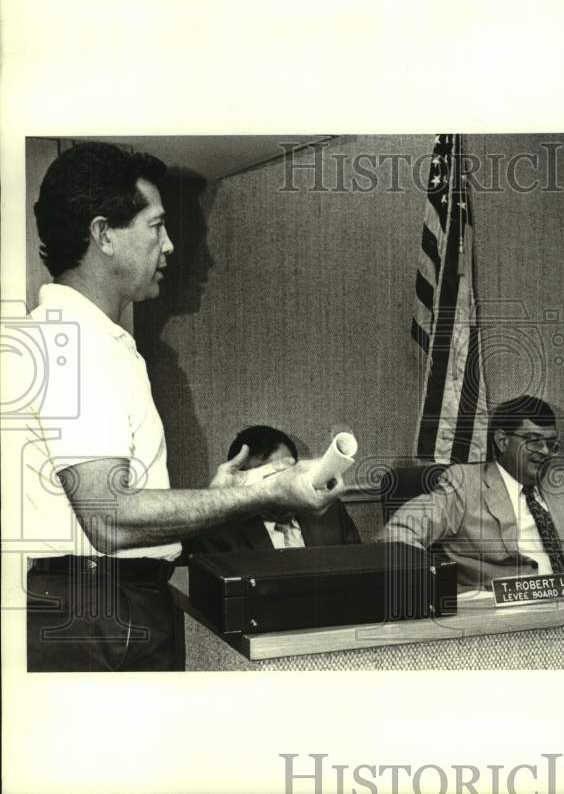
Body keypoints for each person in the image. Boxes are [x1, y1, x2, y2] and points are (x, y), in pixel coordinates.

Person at [23, 142, 344, 671]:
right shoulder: (76, 342)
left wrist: (218, 495)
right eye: (155, 227)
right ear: (103, 234)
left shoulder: (83, 338)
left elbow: (117, 507)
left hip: (103, 608)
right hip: (100, 616)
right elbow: (108, 517)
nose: (170, 246)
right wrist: (262, 493)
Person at [380, 395, 564, 591]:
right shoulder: (464, 484)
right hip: (498, 616)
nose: (545, 452)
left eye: (551, 444)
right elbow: (398, 533)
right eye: (534, 442)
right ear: (502, 441)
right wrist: (437, 586)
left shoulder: (559, 485)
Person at [184, 425, 360, 554]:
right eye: (268, 477)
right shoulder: (220, 532)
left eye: (287, 472)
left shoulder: (331, 512)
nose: (282, 485)